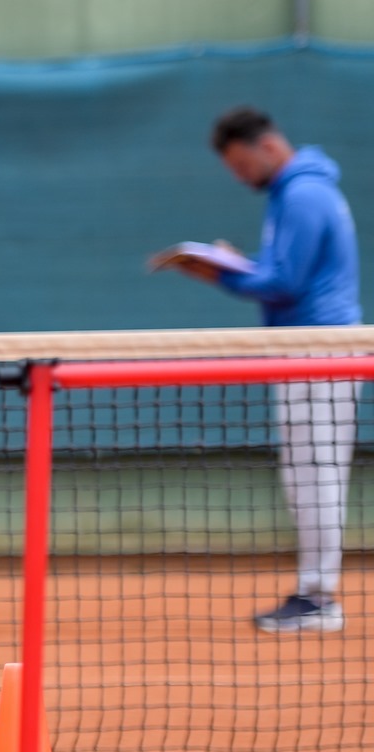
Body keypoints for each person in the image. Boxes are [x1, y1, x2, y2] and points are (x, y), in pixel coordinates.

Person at [179, 106, 362, 634]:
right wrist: (241, 266)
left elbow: (284, 283)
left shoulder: (303, 195)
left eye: (241, 166)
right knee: (307, 474)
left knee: (318, 475)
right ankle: (314, 592)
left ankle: (319, 597)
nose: (240, 178)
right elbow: (283, 272)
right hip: (308, 349)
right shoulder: (297, 193)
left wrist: (219, 274)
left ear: (268, 148)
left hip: (321, 350)